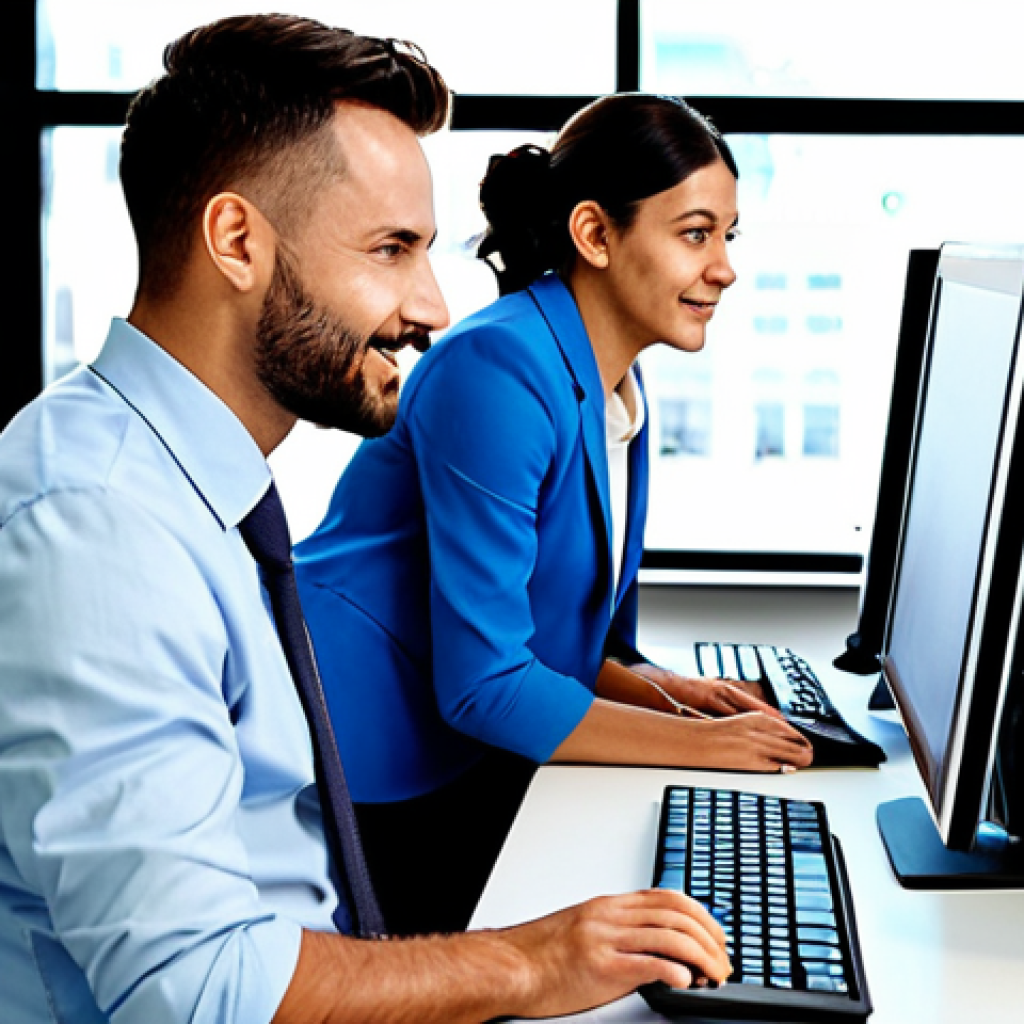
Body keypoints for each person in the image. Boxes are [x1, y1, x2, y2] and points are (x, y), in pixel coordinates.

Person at [0, 15, 732, 1024]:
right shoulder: (92, 526)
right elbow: (196, 988)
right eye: (391, 250)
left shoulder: (191, 492)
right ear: (237, 241)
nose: (432, 307)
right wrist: (523, 962)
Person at [294, 92, 814, 936]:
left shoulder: (613, 385)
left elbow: (561, 640)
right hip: (373, 764)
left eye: (728, 236)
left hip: (465, 750)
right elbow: (487, 683)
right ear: (596, 236)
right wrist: (701, 746)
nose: (723, 268)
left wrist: (669, 694)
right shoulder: (498, 365)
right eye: (694, 233)